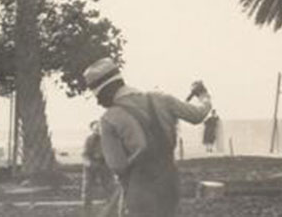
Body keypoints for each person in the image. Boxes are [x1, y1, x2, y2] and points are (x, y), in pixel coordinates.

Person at [83, 58, 212, 217]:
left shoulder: (109, 120)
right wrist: (203, 95)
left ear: (107, 90)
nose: (98, 102)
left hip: (139, 191)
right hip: (170, 184)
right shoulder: (160, 99)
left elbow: (117, 166)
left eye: (98, 96)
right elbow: (198, 114)